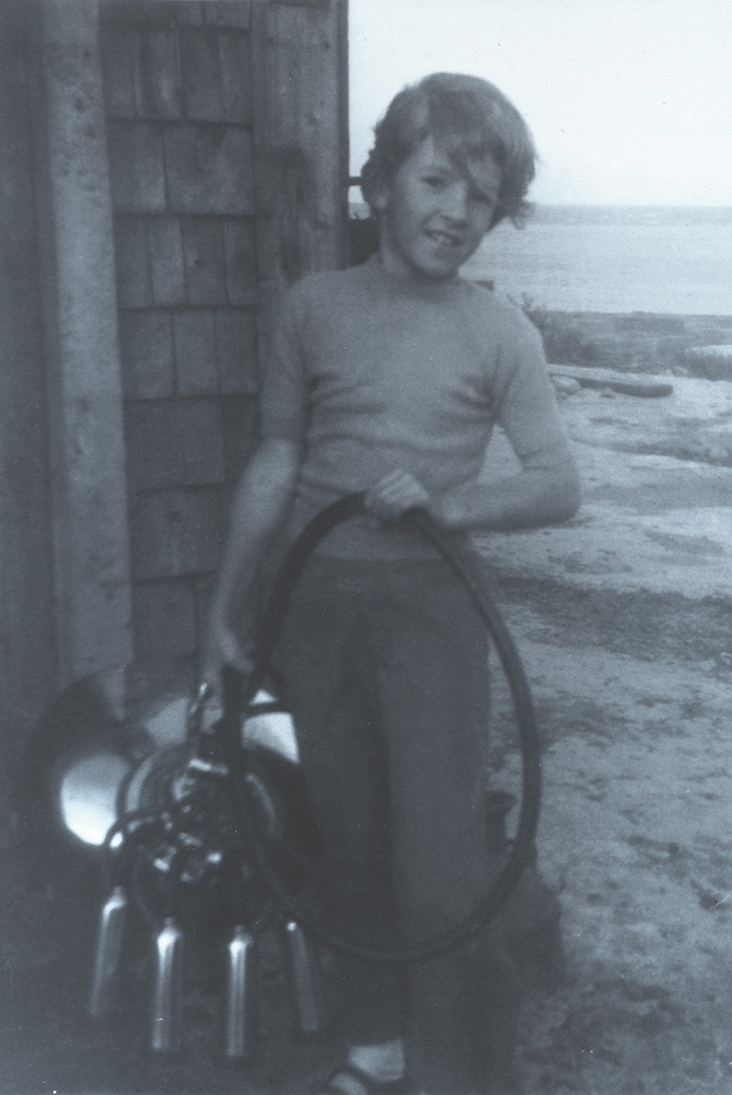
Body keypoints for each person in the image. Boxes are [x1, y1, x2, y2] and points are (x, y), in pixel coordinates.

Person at [203, 73, 580, 1095]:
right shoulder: (313, 309)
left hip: (432, 619)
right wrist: (227, 614)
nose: (456, 212)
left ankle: (462, 1071)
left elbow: (559, 486)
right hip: (315, 610)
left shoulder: (501, 334)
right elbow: (277, 463)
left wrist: (454, 508)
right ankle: (377, 1048)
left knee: (438, 867)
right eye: (438, 179)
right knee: (349, 843)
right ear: (378, 180)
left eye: (483, 200)